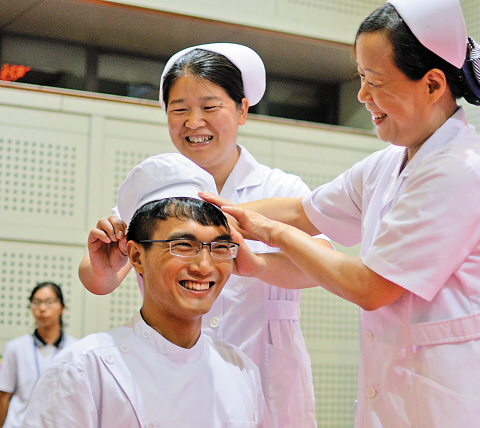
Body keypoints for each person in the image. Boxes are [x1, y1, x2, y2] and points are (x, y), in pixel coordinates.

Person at [200, 1, 480, 426]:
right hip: (405, 402)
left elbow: (370, 286)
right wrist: (198, 217)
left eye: (376, 82)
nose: (364, 96)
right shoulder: (390, 162)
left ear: (434, 84)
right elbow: (302, 211)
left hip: (475, 406)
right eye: (361, 79)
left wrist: (272, 234)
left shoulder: (462, 170)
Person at [78, 43, 330, 427]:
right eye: (179, 109)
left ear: (243, 110)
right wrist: (103, 265)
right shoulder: (153, 192)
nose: (194, 122)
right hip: (171, 379)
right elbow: (97, 279)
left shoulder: (281, 187)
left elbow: (323, 267)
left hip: (267, 381)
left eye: (210, 107)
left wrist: (257, 265)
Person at [22, 153, 271, 428]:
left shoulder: (241, 369)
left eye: (220, 247)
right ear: (137, 257)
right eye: (183, 246)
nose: (204, 265)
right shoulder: (86, 368)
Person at [0, 282, 77, 428]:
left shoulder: (75, 349)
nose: (42, 309)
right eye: (36, 302)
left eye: (49, 302)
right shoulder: (15, 348)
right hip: (19, 424)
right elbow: (3, 397)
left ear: (62, 308)